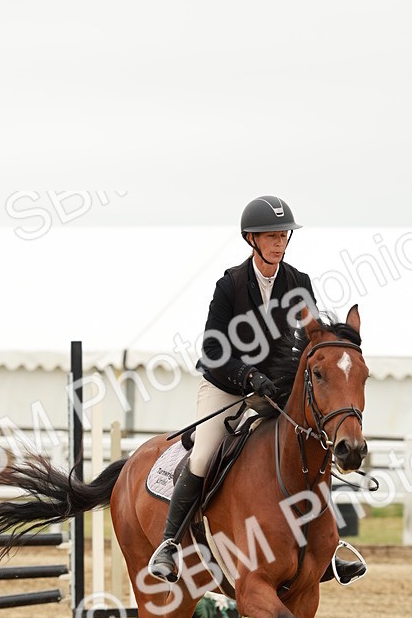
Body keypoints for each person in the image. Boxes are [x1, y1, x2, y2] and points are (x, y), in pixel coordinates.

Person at [147, 195, 366, 586]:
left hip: (279, 388)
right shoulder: (230, 284)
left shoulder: (298, 283)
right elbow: (213, 351)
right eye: (271, 236)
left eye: (284, 235)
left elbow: (310, 341)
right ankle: (168, 544)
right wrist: (248, 376)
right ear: (252, 239)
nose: (280, 242)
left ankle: (329, 547)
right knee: (205, 452)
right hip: (228, 386)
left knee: (312, 448)